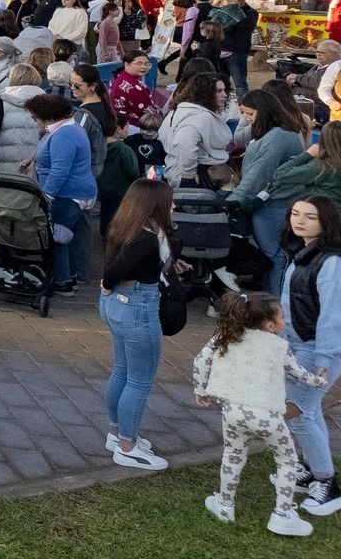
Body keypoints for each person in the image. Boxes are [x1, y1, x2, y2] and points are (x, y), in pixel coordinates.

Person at [192, 290, 325, 536]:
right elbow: (299, 374)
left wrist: (201, 390)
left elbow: (200, 361)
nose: (285, 322)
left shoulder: (227, 336)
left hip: (233, 411)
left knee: (232, 454)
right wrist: (318, 380)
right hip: (268, 415)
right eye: (282, 318)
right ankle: (283, 515)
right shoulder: (279, 346)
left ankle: (224, 505)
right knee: (286, 459)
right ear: (269, 325)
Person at [100, 178, 175, 470]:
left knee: (122, 370)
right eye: (169, 201)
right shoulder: (146, 238)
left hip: (118, 306)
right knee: (140, 381)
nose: (173, 206)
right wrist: (108, 282)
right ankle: (127, 446)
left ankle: (117, 432)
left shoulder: (125, 226)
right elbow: (116, 269)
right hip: (138, 308)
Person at [280, 195, 341, 516]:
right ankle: (313, 470)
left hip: (317, 349)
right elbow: (290, 305)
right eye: (295, 213)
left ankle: (327, 484)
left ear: (326, 222)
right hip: (298, 345)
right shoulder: (303, 253)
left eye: (310, 217)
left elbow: (333, 315)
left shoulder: (330, 262)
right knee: (310, 411)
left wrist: (324, 361)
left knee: (296, 412)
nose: (299, 220)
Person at [230, 91, 312, 292]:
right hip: (269, 201)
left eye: (249, 113)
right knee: (271, 254)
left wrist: (234, 199)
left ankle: (277, 300)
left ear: (263, 111)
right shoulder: (275, 132)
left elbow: (260, 172)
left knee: (274, 254)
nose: (247, 118)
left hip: (274, 204)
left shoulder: (278, 136)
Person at [30, 92, 96, 294]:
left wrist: (46, 196)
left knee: (56, 236)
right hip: (77, 192)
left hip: (67, 194)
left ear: (47, 116)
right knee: (66, 235)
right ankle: (69, 277)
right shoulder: (71, 129)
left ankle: (62, 281)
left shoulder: (63, 135)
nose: (34, 120)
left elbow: (60, 170)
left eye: (35, 116)